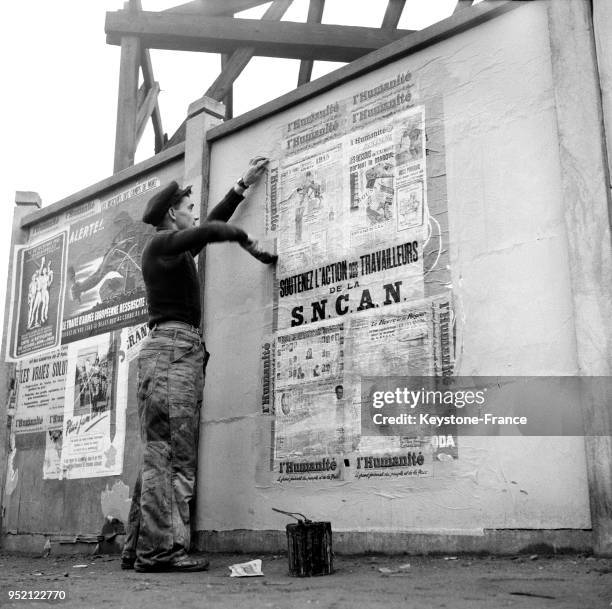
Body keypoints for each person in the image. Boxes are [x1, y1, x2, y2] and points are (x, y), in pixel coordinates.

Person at [121, 157, 272, 573]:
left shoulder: (176, 252)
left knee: (158, 453)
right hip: (173, 352)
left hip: (168, 352)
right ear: (173, 213)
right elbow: (209, 229)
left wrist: (242, 185)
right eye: (188, 206)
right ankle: (162, 552)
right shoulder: (159, 244)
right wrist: (244, 237)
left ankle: (139, 547)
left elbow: (209, 222)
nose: (194, 212)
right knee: (173, 455)